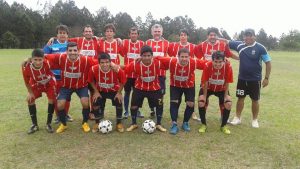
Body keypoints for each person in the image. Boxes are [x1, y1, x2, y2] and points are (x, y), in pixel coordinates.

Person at [45, 42, 97, 133]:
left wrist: (113, 65)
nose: (72, 52)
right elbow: (44, 56)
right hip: (66, 86)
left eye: (75, 50)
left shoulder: (85, 59)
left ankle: (85, 123)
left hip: (81, 86)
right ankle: (63, 124)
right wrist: (29, 59)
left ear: (79, 51)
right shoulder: (61, 57)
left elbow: (99, 62)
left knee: (85, 103)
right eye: (70, 50)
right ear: (66, 51)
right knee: (60, 104)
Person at [229, 29, 271, 128]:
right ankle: (237, 118)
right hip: (242, 79)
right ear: (243, 37)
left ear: (254, 36)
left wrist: (266, 78)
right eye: (246, 35)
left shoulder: (261, 48)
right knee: (240, 98)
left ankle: (255, 120)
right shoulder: (239, 45)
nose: (247, 37)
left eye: (250, 35)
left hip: (255, 80)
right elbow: (226, 41)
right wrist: (215, 38)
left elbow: (268, 63)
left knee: (255, 100)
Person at [157, 48, 206, 135]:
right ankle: (174, 124)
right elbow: (157, 58)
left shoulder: (194, 62)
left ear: (189, 57)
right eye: (182, 57)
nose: (184, 59)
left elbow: (207, 63)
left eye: (186, 57)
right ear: (178, 57)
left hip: (189, 85)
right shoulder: (172, 61)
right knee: (174, 102)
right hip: (175, 85)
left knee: (190, 103)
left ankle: (185, 123)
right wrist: (142, 58)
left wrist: (223, 59)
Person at [194, 27, 238, 121]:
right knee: (203, 96)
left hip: (221, 74)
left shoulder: (222, 44)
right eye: (210, 35)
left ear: (217, 36)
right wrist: (204, 41)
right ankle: (203, 117)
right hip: (208, 75)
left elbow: (229, 54)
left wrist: (240, 58)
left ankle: (223, 117)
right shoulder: (203, 45)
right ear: (207, 36)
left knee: (224, 98)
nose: (212, 37)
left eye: (214, 35)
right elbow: (196, 53)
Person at [124, 45, 167, 132]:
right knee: (133, 106)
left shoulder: (158, 63)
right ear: (141, 56)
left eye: (149, 56)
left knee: (160, 104)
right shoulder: (135, 64)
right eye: (144, 56)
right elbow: (125, 69)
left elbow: (169, 61)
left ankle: (158, 124)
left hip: (155, 88)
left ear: (152, 56)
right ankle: (134, 124)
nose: (147, 58)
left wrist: (156, 57)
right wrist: (112, 65)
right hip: (139, 88)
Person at [88, 52, 126, 133]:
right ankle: (97, 122)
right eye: (102, 62)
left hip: (114, 91)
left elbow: (123, 81)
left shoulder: (117, 69)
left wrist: (119, 93)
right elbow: (91, 81)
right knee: (95, 100)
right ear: (99, 63)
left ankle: (119, 123)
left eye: (107, 62)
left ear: (110, 62)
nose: (105, 64)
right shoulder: (93, 69)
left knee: (118, 100)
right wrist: (96, 92)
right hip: (101, 91)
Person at [167, 29, 200, 121]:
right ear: (179, 36)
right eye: (181, 35)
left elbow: (199, 57)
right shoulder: (174, 45)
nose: (183, 36)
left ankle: (192, 113)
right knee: (176, 99)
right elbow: (169, 56)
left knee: (190, 99)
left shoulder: (193, 46)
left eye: (185, 35)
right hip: (176, 75)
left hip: (188, 75)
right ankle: (175, 114)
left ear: (187, 36)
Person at [198, 51, 233, 134]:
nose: (218, 64)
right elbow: (205, 82)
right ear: (212, 60)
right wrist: (204, 96)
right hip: (209, 87)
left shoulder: (228, 66)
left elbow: (227, 81)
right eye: (215, 62)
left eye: (220, 62)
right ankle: (203, 124)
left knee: (228, 103)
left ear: (224, 60)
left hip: (221, 89)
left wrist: (225, 96)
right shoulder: (207, 65)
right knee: (201, 102)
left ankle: (223, 126)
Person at [21, 49, 56, 134]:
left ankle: (48, 124)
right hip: (36, 84)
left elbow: (57, 56)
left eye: (40, 60)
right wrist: (30, 92)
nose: (37, 62)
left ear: (43, 58)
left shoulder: (48, 62)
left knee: (52, 99)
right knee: (30, 100)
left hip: (49, 83)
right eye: (35, 60)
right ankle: (34, 125)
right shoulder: (26, 67)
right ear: (31, 59)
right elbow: (26, 81)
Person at [43, 24, 73, 123]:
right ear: (57, 35)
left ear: (67, 35)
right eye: (60, 33)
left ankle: (66, 114)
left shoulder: (71, 45)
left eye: (64, 33)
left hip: (67, 76)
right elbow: (43, 55)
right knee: (56, 97)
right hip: (54, 77)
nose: (62, 35)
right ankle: (58, 116)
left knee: (67, 97)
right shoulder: (51, 44)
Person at [145, 24, 170, 117]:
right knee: (150, 93)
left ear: (161, 32)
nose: (157, 33)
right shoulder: (147, 42)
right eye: (155, 31)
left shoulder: (167, 43)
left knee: (161, 93)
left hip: (161, 73)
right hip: (149, 73)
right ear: (152, 32)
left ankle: (159, 109)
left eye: (158, 31)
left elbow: (170, 57)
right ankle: (152, 109)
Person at [121, 27, 145, 118]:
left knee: (137, 93)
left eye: (135, 33)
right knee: (127, 93)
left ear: (138, 35)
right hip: (127, 74)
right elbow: (115, 41)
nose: (134, 35)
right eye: (132, 33)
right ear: (129, 34)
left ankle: (137, 111)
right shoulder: (125, 43)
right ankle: (126, 111)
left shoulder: (142, 44)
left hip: (138, 75)